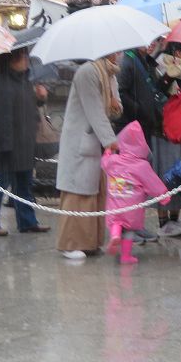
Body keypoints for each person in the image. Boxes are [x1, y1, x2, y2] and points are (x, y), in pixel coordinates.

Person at [55, 55, 123, 260]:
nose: (119, 54)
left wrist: (115, 105)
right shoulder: (87, 72)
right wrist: (111, 140)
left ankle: (90, 242)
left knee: (95, 193)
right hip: (80, 141)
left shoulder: (111, 74)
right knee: (78, 193)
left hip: (96, 144)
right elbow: (94, 110)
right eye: (117, 50)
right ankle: (70, 243)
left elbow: (115, 109)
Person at [0, 48, 50, 236]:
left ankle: (27, 222)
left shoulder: (25, 81)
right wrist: (6, 146)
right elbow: (2, 118)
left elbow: (30, 107)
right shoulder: (1, 85)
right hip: (9, 145)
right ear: (11, 60)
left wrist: (41, 98)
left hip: (25, 142)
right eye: (22, 56)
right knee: (1, 184)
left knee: (24, 185)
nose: (26, 60)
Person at [113, 42, 164, 244]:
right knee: (129, 182)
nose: (151, 44)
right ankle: (127, 226)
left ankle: (136, 224)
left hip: (143, 127)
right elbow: (122, 92)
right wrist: (140, 109)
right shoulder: (128, 61)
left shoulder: (143, 61)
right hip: (130, 128)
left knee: (139, 180)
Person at [101, 121, 171, 264]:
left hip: (115, 203)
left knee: (117, 221)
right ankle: (126, 256)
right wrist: (163, 195)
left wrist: (107, 153)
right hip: (132, 207)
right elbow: (153, 183)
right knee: (130, 231)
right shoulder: (141, 166)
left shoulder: (114, 161)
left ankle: (115, 235)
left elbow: (104, 163)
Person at [152, 42, 181, 236]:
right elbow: (157, 92)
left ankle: (176, 219)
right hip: (164, 128)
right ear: (178, 52)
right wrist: (170, 75)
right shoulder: (161, 64)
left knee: (180, 171)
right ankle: (163, 221)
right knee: (164, 171)